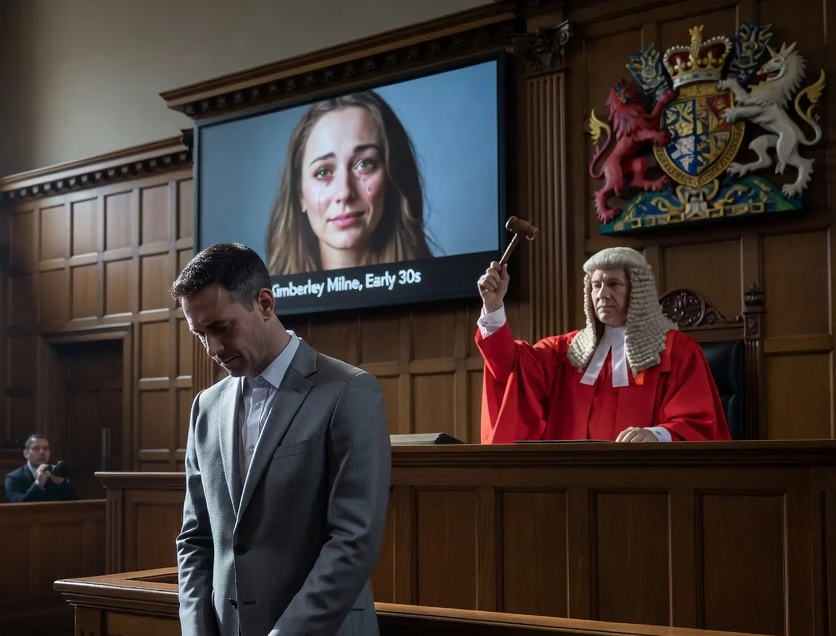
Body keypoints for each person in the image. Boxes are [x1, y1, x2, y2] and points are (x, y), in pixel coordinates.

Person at [172, 243, 391, 636]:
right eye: (199, 333)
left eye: (221, 327)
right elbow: (196, 540)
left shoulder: (349, 392)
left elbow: (353, 543)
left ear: (265, 304)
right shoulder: (207, 405)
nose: (211, 348)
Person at [474, 246, 731, 443]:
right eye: (596, 285)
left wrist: (658, 435)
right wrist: (494, 306)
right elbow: (510, 366)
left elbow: (698, 421)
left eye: (614, 284)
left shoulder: (677, 351)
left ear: (637, 289)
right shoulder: (565, 350)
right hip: (570, 485)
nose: (602, 294)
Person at [266, 90, 433, 276]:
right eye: (323, 172)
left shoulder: (437, 291)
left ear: (392, 178)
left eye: (364, 164)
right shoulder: (264, 303)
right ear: (300, 196)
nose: (344, 192)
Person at [4, 435, 79, 503]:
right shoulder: (13, 478)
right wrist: (38, 485)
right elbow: (17, 506)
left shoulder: (56, 472)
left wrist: (62, 484)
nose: (42, 452)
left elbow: (76, 504)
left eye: (46, 448)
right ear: (26, 453)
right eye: (36, 448)